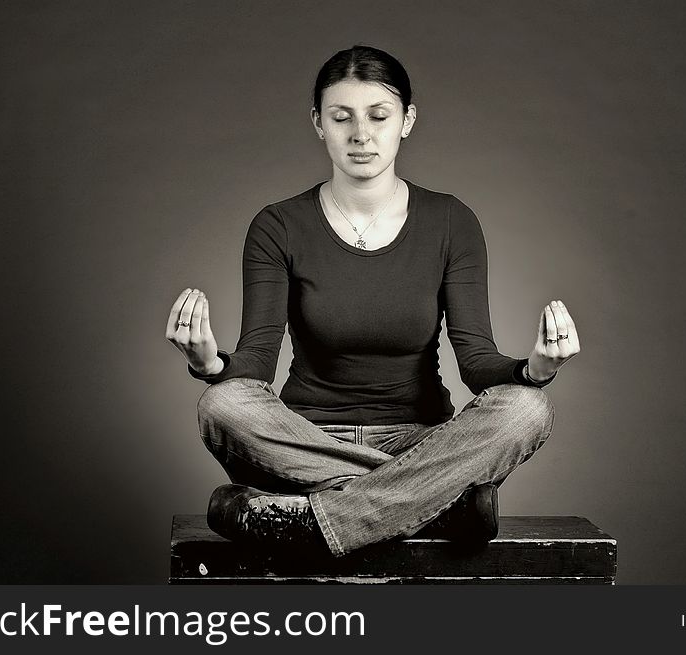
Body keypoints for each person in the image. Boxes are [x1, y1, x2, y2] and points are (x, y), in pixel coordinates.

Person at [165, 45, 580, 557]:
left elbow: (476, 362)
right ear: (319, 123)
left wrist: (535, 370)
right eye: (342, 117)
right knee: (221, 405)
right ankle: (439, 506)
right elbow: (255, 364)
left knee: (527, 409)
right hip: (302, 439)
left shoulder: (451, 221)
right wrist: (209, 363)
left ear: (407, 120)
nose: (361, 134)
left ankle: (316, 520)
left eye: (378, 116)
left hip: (421, 443)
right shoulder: (278, 226)